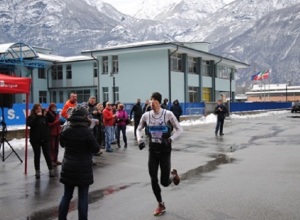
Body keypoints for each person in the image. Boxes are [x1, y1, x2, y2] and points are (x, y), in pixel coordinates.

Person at [136, 92, 183, 216]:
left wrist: (170, 140)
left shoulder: (168, 114)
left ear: (159, 102)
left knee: (164, 182)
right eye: (151, 100)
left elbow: (179, 129)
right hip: (153, 151)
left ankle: (173, 175)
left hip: (165, 152)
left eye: (155, 100)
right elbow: (138, 128)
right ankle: (160, 204)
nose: (152, 103)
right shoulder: (146, 115)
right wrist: (139, 140)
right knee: (153, 179)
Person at [58, 105, 100, 220]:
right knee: (82, 196)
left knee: (67, 195)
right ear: (84, 118)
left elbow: (62, 144)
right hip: (83, 168)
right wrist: (91, 130)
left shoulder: (67, 130)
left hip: (68, 167)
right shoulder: (87, 132)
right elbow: (96, 149)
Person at [26, 103, 55, 179]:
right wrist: (37, 117)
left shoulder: (44, 116)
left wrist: (48, 112)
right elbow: (29, 124)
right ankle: (37, 171)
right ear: (34, 110)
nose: (39, 110)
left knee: (47, 154)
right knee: (37, 155)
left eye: (40, 108)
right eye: (37, 109)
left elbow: (52, 119)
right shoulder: (31, 117)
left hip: (45, 139)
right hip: (35, 140)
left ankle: (51, 169)